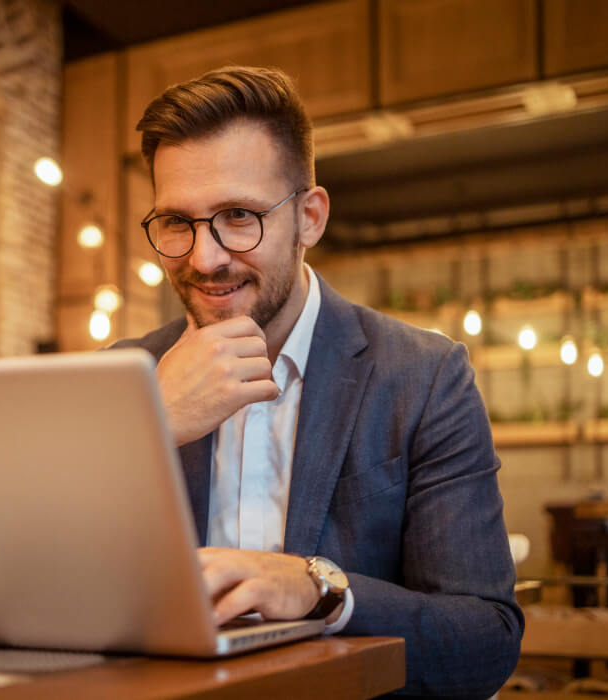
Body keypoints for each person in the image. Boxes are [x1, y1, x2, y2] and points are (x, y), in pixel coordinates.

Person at [113, 66, 523, 698]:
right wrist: (149, 427)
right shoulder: (124, 377)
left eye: (238, 215)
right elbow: (16, 587)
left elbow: (484, 638)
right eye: (176, 222)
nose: (204, 257)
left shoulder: (423, 377)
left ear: (309, 218)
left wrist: (319, 589)